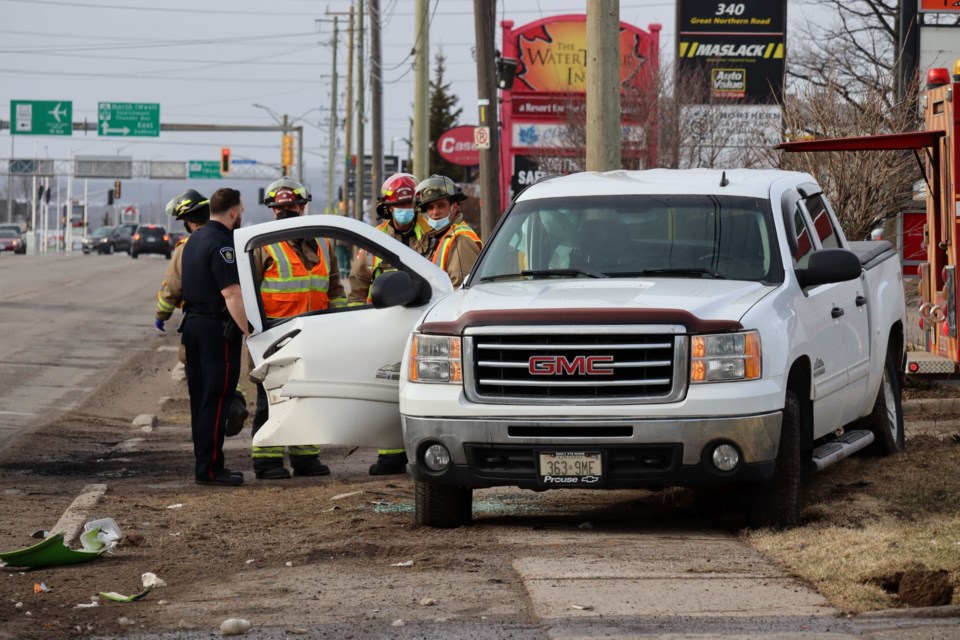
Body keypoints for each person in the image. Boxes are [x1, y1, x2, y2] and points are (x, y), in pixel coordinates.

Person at [249, 177, 346, 480]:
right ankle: (267, 461)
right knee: (271, 399)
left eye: (292, 206)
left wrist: (342, 325)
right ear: (272, 211)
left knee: (308, 397)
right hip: (273, 335)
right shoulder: (261, 244)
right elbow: (249, 293)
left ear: (303, 207)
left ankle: (306, 459)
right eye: (281, 208)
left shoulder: (322, 242)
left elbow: (334, 288)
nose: (287, 211)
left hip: (314, 333)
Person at [348, 173, 431, 475]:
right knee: (385, 388)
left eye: (409, 204)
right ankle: (390, 454)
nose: (405, 210)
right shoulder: (374, 240)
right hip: (383, 327)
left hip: (422, 323)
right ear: (387, 207)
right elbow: (358, 283)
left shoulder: (431, 233)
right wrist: (358, 323)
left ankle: (423, 450)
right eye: (398, 205)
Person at [180, 187, 248, 486]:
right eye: (241, 211)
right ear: (233, 212)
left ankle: (206, 465)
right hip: (214, 332)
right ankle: (210, 470)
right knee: (217, 399)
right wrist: (251, 330)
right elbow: (231, 294)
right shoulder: (223, 244)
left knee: (202, 401)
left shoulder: (194, 239)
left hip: (193, 328)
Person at [155, 190, 209, 335]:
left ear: (189, 220)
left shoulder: (185, 247)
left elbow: (173, 285)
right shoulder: (226, 241)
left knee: (192, 357)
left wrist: (162, 314)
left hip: (197, 320)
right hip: (228, 321)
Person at [414, 174, 482, 288]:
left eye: (441, 206)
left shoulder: (461, 239)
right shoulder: (430, 238)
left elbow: (460, 289)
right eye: (430, 207)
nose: (435, 212)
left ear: (454, 207)